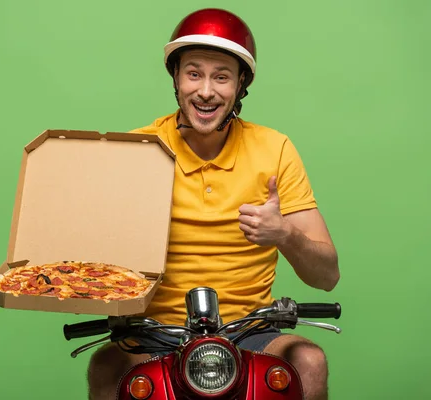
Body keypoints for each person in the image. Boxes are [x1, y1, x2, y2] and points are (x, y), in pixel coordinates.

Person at [87, 8, 339, 400]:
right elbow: (90, 252)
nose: (206, 90)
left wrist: (284, 234)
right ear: (176, 78)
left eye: (221, 76)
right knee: (105, 368)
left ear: (241, 84)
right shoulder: (137, 149)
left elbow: (327, 277)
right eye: (194, 73)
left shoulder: (276, 149)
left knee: (309, 361)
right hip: (153, 333)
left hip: (250, 332)